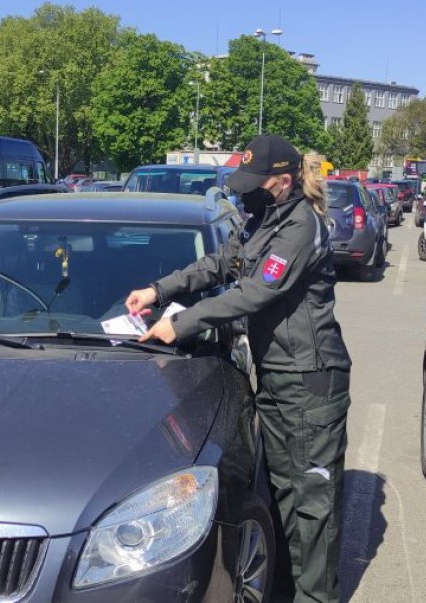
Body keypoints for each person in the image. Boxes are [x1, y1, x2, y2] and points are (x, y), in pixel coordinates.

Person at [125, 135, 351, 603]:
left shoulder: (300, 227)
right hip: (276, 375)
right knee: (284, 493)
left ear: (283, 182)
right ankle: (291, 591)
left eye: (254, 184)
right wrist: (159, 290)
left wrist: (181, 324)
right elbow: (219, 264)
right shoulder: (263, 220)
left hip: (309, 380)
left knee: (311, 506)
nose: (244, 194)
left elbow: (255, 292)